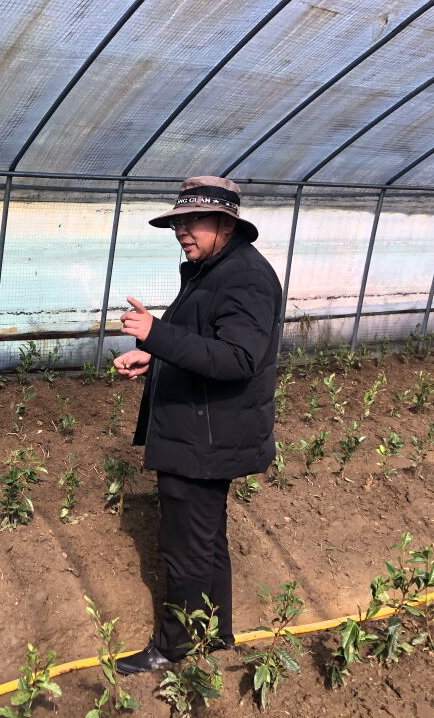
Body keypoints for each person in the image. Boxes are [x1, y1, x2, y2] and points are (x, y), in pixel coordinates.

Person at [112, 176, 282, 674]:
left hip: (204, 438)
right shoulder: (213, 270)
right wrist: (155, 356)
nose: (182, 231)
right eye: (177, 223)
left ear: (225, 224)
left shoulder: (244, 277)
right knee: (207, 542)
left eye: (193, 221)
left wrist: (157, 334)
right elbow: (208, 340)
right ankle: (216, 635)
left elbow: (239, 358)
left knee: (185, 547)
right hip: (203, 430)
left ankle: (174, 648)